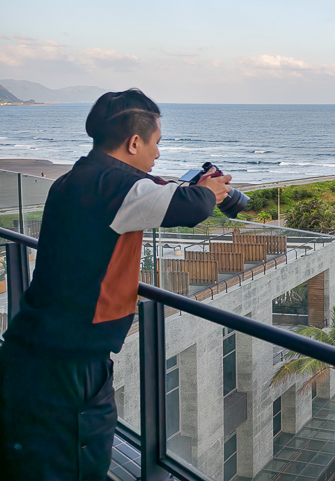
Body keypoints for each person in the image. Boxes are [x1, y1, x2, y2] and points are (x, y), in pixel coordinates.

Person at [0, 89, 232, 480]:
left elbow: (149, 189)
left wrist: (185, 185)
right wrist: (209, 192)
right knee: (74, 465)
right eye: (156, 143)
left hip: (31, 348)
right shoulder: (117, 188)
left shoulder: (75, 178)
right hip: (71, 364)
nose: (157, 153)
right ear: (135, 141)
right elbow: (191, 208)